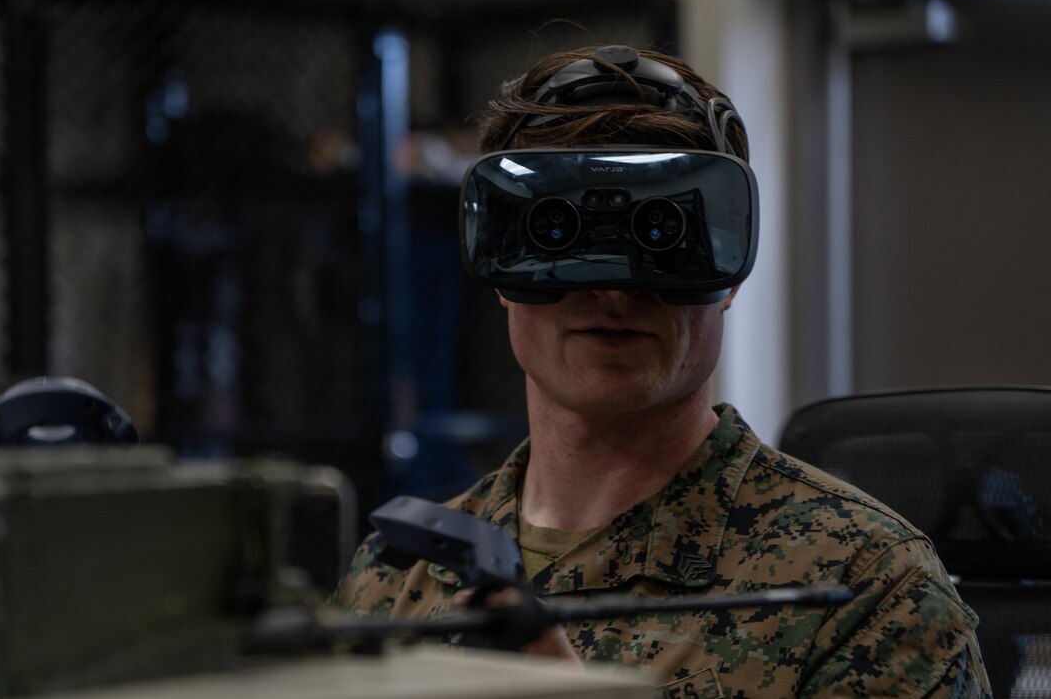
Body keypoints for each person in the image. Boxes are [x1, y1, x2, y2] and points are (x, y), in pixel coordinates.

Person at [332, 44, 991, 698]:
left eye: (661, 235)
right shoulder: (398, 577)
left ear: (728, 274)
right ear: (506, 271)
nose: (615, 292)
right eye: (561, 233)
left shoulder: (863, 586)